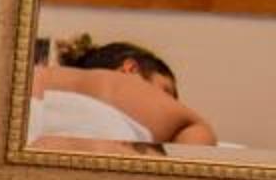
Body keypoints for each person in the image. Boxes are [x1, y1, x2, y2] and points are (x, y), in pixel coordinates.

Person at [25, 34, 217, 153]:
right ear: (130, 68)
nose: (169, 102)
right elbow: (196, 132)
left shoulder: (46, 74)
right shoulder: (126, 85)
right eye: (166, 91)